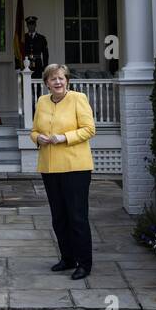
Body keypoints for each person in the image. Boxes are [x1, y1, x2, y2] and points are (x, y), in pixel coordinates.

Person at [30, 63, 96, 279]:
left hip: (75, 167)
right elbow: (34, 130)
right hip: (49, 168)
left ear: (67, 80)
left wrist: (63, 137)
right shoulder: (41, 101)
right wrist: (37, 138)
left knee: (77, 217)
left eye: (61, 78)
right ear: (46, 83)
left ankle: (84, 263)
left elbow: (89, 129)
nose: (57, 82)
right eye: (52, 79)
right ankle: (68, 258)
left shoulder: (78, 98)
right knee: (58, 217)